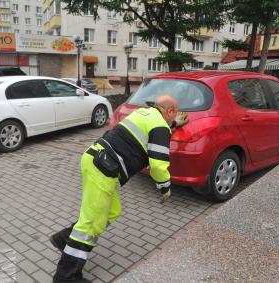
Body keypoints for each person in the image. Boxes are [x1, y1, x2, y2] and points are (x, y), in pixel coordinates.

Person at [51, 95, 189, 283]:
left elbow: (149, 132)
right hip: (103, 169)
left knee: (112, 211)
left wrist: (172, 126)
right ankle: (66, 277)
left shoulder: (145, 113)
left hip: (97, 161)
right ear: (170, 111)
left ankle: (64, 239)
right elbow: (158, 165)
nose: (174, 119)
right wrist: (165, 188)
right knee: (91, 225)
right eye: (174, 114)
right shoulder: (160, 127)